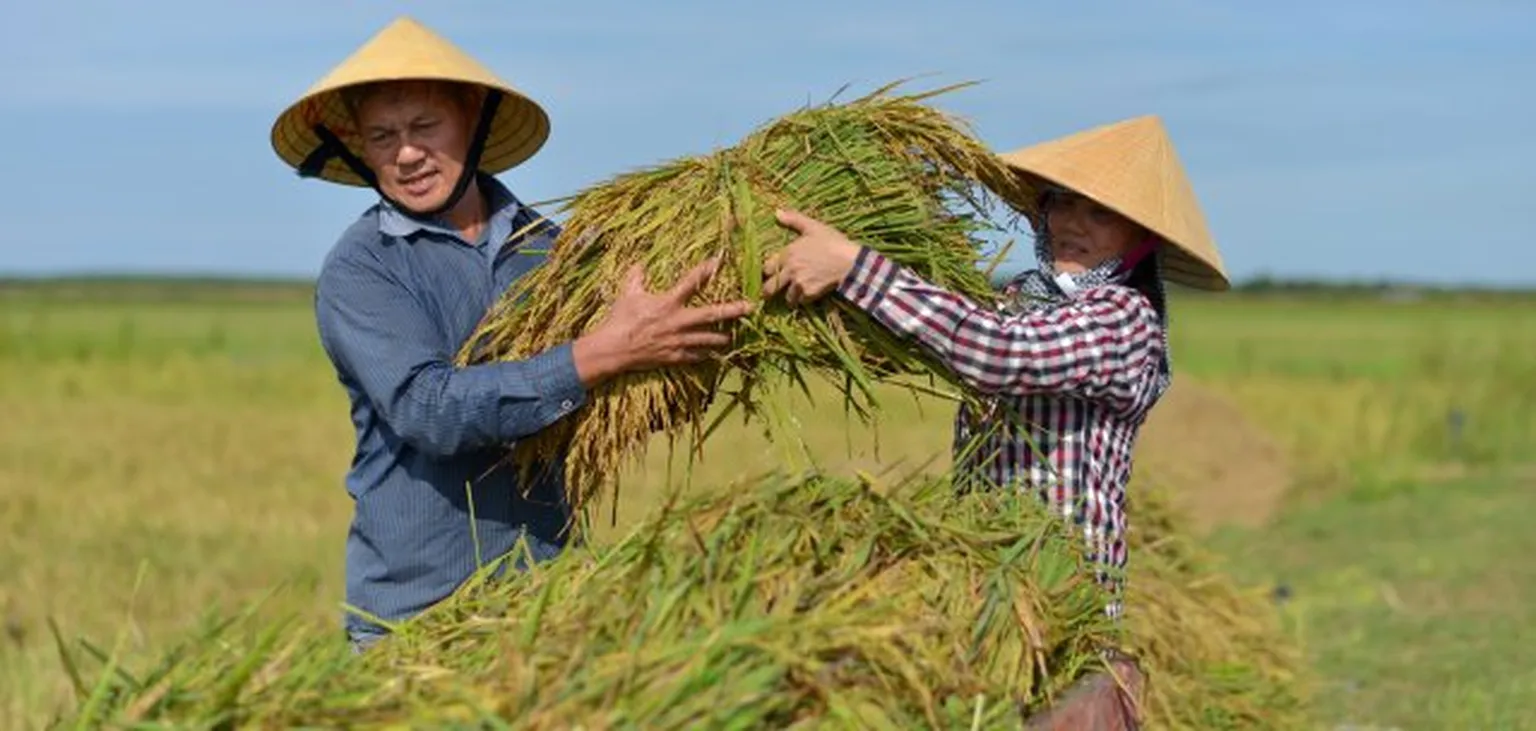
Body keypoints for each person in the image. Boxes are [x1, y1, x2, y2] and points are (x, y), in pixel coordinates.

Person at [269, 16, 753, 652]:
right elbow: (430, 411)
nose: (406, 153)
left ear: (472, 117)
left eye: (424, 127)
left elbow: (618, 396)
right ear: (358, 147)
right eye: (382, 136)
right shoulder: (363, 269)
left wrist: (692, 349)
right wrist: (603, 352)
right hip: (419, 622)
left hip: (553, 604)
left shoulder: (552, 253)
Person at [761, 115, 1229, 622]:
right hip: (983, 579)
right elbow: (948, 329)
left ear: (1140, 239)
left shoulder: (1124, 320)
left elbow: (997, 354)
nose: (1074, 224)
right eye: (1064, 203)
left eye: (1100, 214)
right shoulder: (1019, 298)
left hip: (1059, 599)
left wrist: (855, 266)